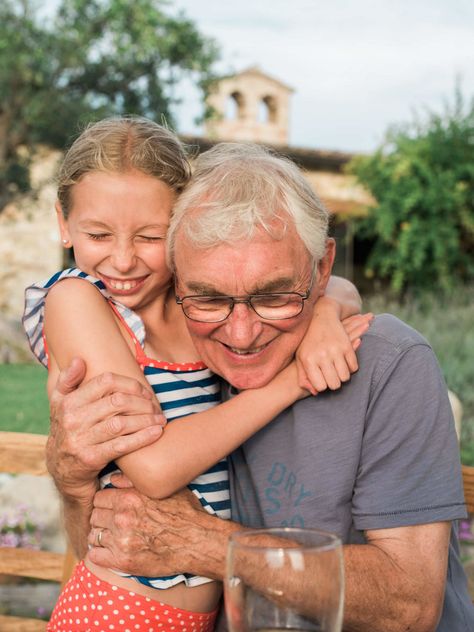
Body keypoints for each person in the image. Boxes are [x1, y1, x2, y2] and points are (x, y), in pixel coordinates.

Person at [45, 141, 474, 632]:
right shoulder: (183, 356)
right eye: (208, 298)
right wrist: (74, 484)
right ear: (178, 281)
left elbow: (409, 607)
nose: (242, 334)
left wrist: (206, 543)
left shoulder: (387, 363)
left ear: (321, 268)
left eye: (274, 296)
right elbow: (111, 542)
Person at [23, 118, 369, 631]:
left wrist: (323, 315)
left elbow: (333, 284)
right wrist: (293, 379)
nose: (121, 260)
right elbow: (155, 468)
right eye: (98, 234)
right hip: (118, 611)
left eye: (150, 237)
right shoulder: (76, 300)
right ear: (63, 223)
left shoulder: (195, 303)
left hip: (201, 612)